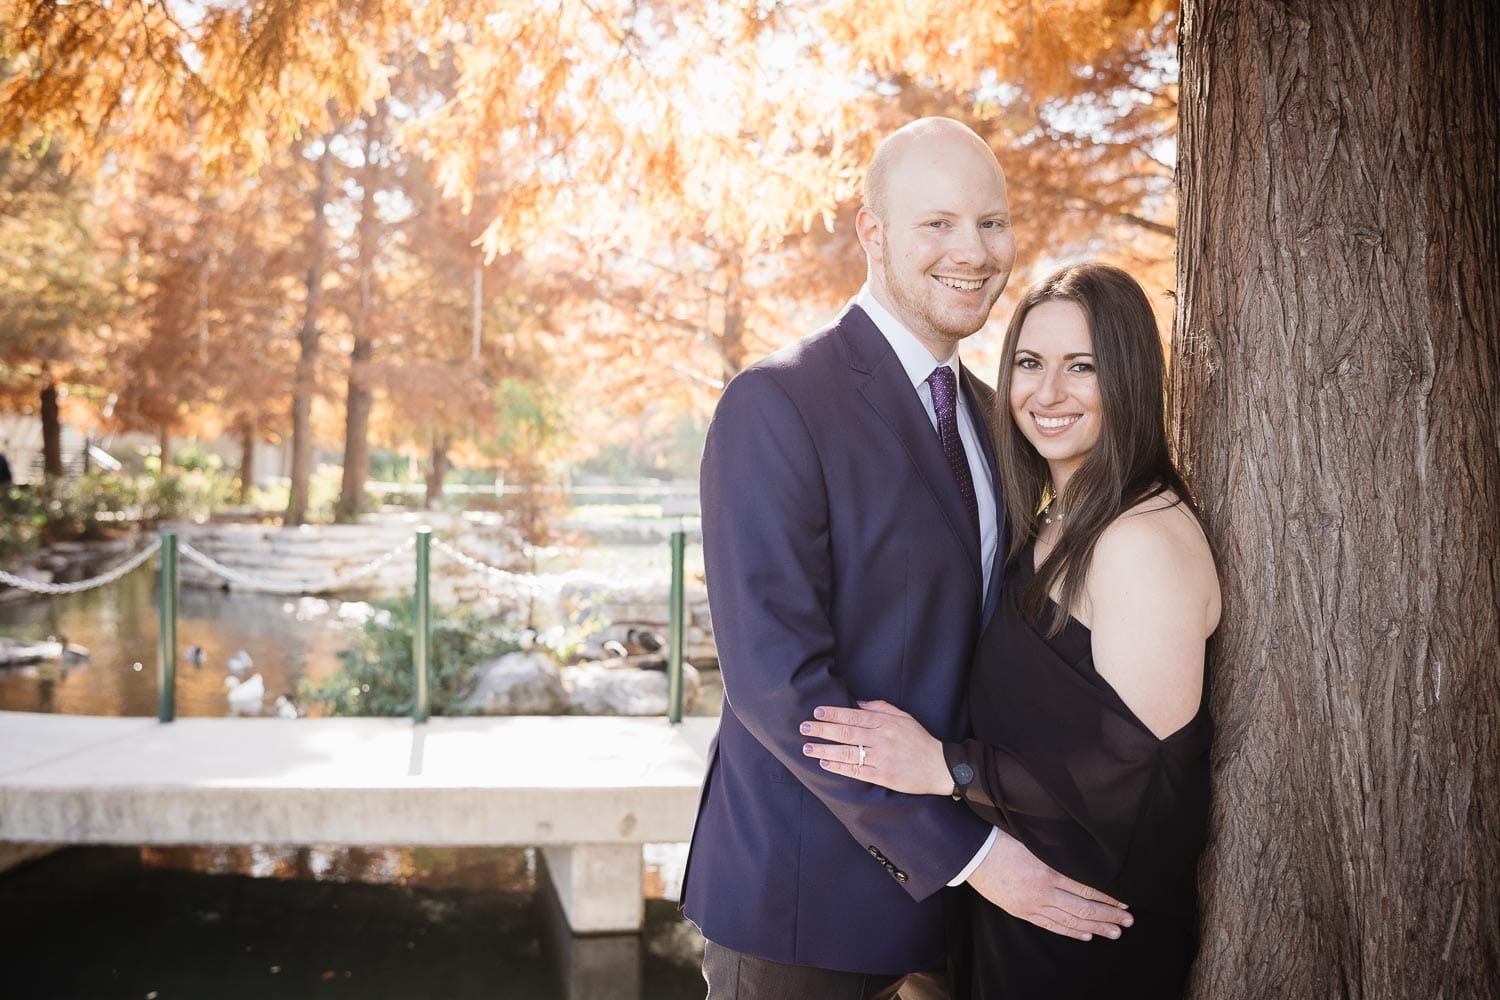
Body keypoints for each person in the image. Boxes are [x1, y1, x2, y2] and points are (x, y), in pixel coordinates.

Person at [681, 120, 1132, 1000]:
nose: (973, 250)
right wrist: (973, 855)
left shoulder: (995, 415)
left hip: (961, 918)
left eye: (992, 223)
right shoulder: (776, 403)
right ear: (873, 233)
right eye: (938, 224)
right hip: (803, 906)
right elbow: (777, 683)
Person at [800, 262, 1220, 998]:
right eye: (1029, 363)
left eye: (1080, 367)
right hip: (1016, 905)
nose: (1046, 393)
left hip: (1090, 935)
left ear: (1127, 378)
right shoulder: (1055, 519)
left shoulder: (1141, 539)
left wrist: (945, 767)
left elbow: (1136, 777)